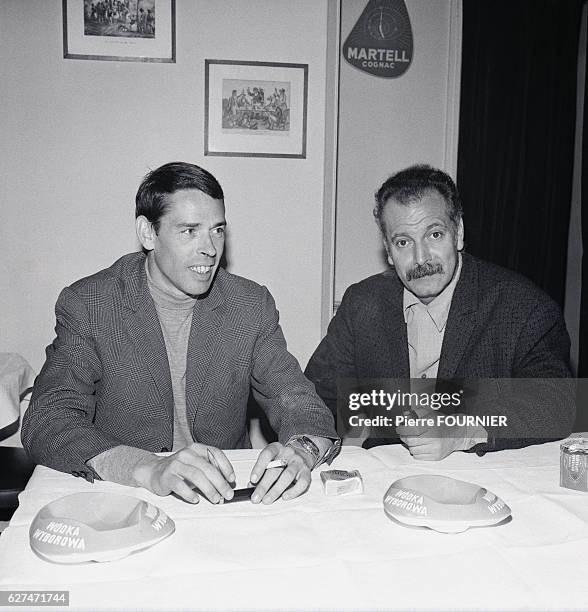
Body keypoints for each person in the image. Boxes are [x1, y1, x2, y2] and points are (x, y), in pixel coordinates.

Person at [23, 162, 339, 505]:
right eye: (190, 231)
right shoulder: (90, 303)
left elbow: (299, 402)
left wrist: (303, 449)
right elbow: (49, 418)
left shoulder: (249, 304)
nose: (210, 249)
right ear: (148, 233)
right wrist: (146, 468)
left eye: (217, 230)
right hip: (127, 495)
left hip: (225, 496)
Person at [305, 164, 574, 460]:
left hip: (484, 475)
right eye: (403, 242)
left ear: (458, 233)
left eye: (434, 235)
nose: (421, 259)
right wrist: (308, 444)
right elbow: (316, 396)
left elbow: (556, 404)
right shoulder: (363, 303)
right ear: (388, 250)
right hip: (388, 478)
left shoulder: (523, 307)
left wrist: (464, 431)